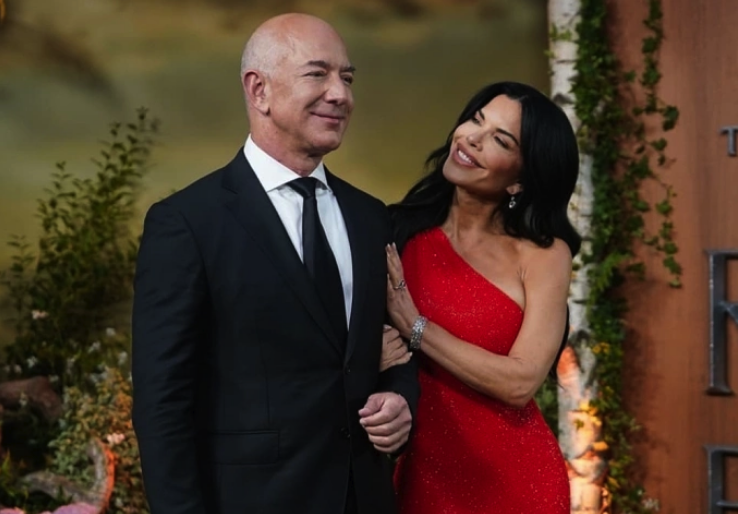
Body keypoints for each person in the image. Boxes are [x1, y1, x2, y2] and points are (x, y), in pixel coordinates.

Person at [131, 13, 419, 514]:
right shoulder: (187, 223)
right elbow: (162, 402)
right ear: (258, 90)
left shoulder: (370, 217)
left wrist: (400, 400)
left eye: (347, 78)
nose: (340, 95)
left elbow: (389, 346)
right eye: (318, 74)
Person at [383, 81, 579, 513]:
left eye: (500, 140)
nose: (472, 138)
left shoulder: (544, 255)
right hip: (419, 477)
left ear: (520, 180)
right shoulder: (396, 231)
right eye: (476, 120)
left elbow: (520, 382)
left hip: (515, 485)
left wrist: (414, 324)